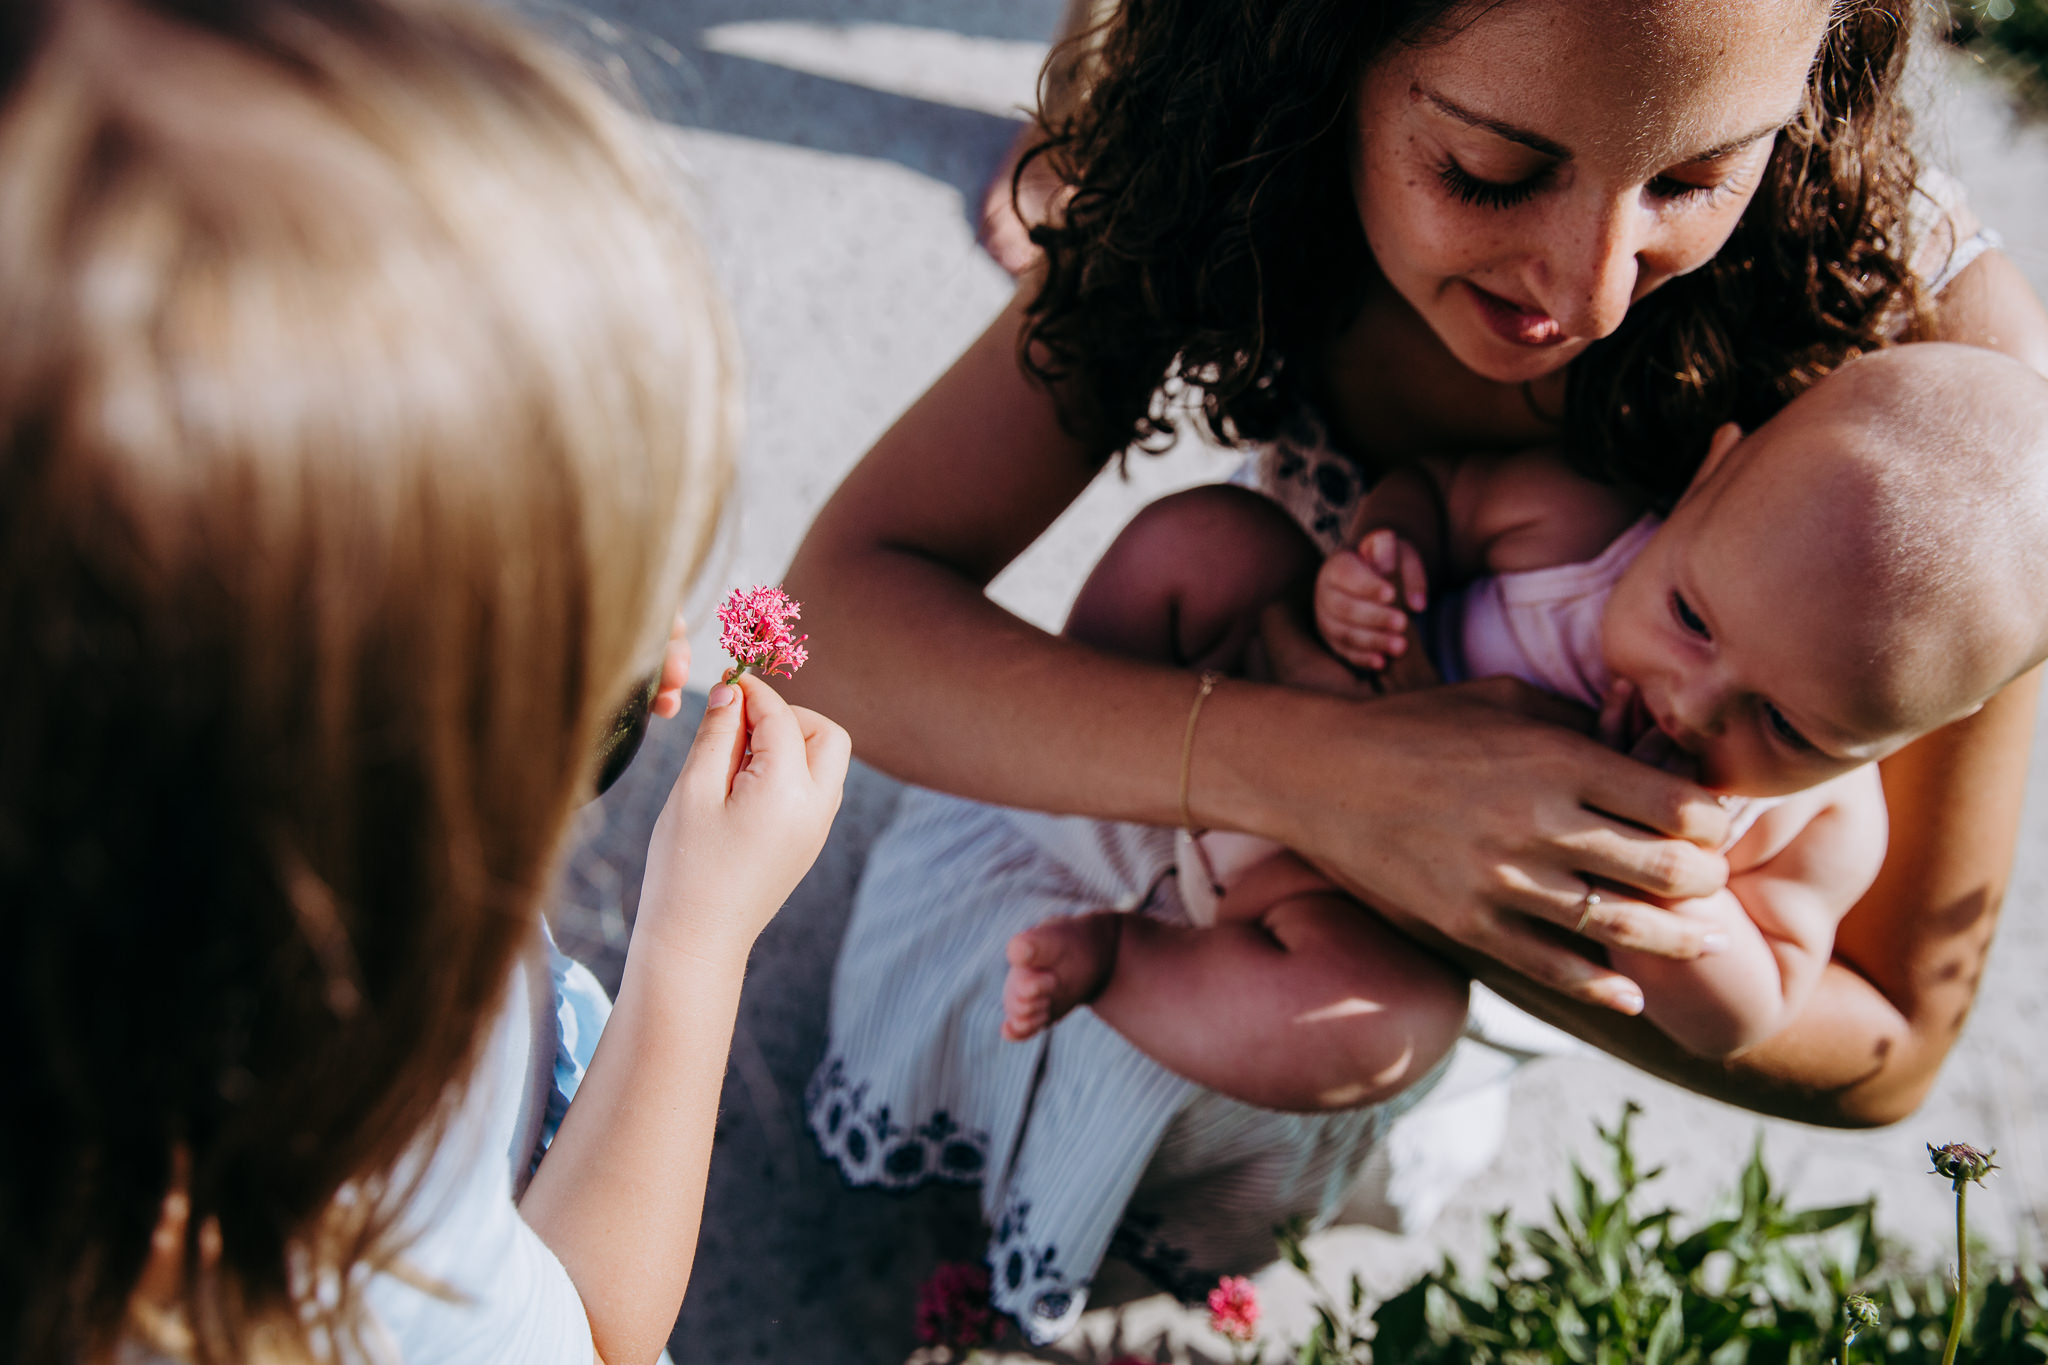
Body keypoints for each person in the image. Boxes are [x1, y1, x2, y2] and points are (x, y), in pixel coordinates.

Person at [786, 0, 2048, 1343]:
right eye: (1491, 173)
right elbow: (841, 622)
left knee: (1308, 1065)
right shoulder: (1235, 152)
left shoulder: (1954, 424)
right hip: (1244, 753)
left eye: (1694, 177)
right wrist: (1332, 781)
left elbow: (1888, 1048)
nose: (1591, 290)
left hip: (1368, 969)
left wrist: (1473, 880)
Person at [0, 1, 849, 1361]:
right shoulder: (358, 1169)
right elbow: (588, 1332)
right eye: (610, 702)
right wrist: (698, 936)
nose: (686, 664)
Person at [1001, 344, 2048, 1097]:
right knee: (1208, 538)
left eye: (1784, 725)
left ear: (1892, 744)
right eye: (1688, 619)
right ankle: (1079, 738)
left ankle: (1123, 962)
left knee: (1378, 1035)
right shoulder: (1578, 531)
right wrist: (1377, 562)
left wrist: (1666, 895)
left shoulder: (1820, 825)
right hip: (1259, 706)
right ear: (1705, 480)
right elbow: (1438, 495)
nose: (1690, 704)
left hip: (1332, 905)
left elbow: (1752, 1010)